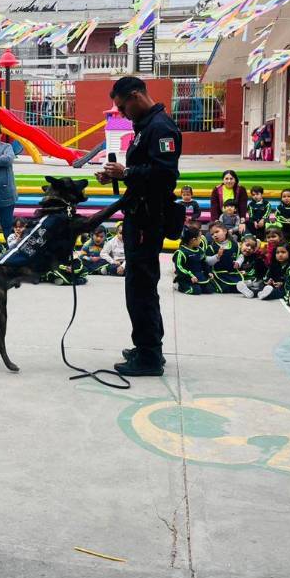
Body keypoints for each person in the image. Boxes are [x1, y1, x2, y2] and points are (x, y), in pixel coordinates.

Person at [100, 76, 182, 376]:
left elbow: (165, 175)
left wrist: (128, 172)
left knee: (141, 287)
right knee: (139, 285)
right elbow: (142, 172)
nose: (122, 114)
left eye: (123, 107)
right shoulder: (147, 126)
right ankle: (148, 347)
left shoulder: (161, 127)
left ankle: (149, 357)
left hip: (149, 217)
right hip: (139, 214)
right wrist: (119, 175)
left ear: (136, 96)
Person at [172, 227, 212, 294]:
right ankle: (179, 285)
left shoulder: (199, 250)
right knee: (196, 291)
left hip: (198, 275)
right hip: (186, 277)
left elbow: (204, 263)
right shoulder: (181, 252)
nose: (201, 240)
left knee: (209, 289)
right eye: (200, 237)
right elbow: (179, 267)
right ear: (193, 240)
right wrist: (190, 276)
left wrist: (208, 272)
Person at [206, 224, 240, 293]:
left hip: (232, 272)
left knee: (239, 283)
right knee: (225, 288)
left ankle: (247, 287)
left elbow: (241, 256)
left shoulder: (234, 244)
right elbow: (207, 261)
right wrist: (217, 256)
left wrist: (239, 262)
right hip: (218, 273)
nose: (214, 235)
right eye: (212, 234)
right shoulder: (211, 247)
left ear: (225, 231)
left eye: (217, 232)